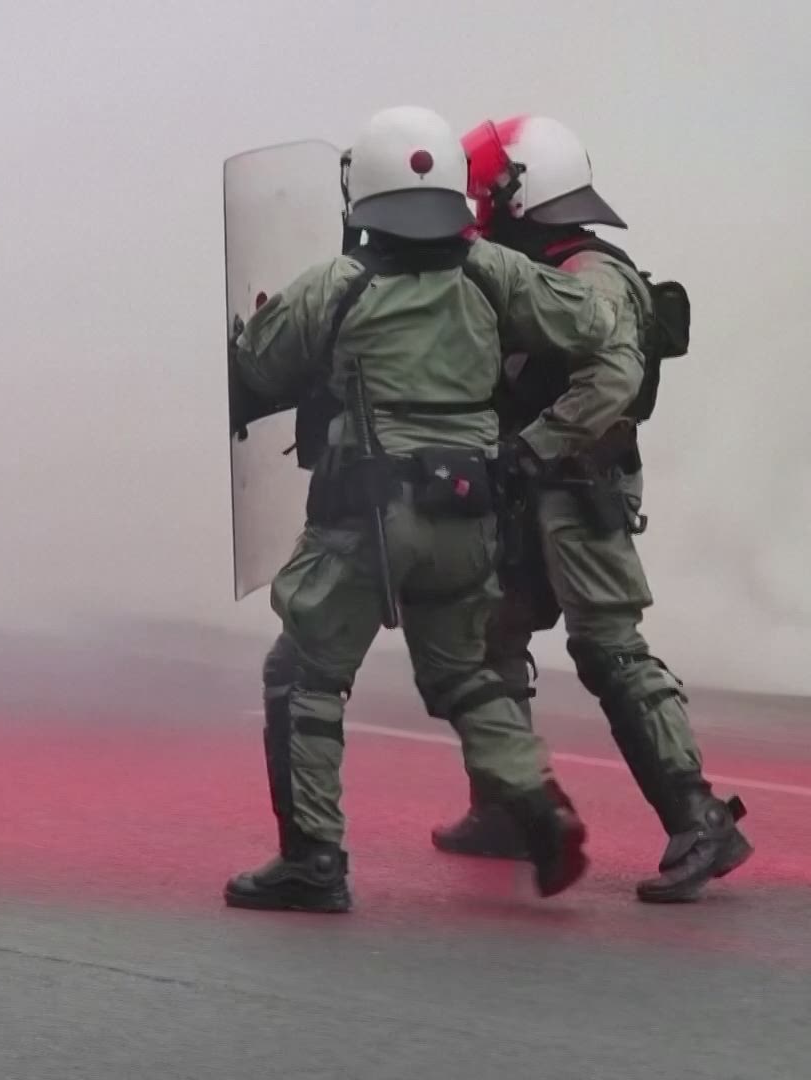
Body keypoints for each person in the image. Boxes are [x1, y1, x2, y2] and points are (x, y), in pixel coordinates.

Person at [222, 105, 647, 914]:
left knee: (304, 673)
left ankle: (313, 861)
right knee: (462, 672)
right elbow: (595, 325)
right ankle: (539, 805)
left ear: (364, 189)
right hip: (469, 515)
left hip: (366, 518)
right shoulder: (494, 272)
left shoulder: (338, 285)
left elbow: (256, 371)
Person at [427, 115, 753, 904]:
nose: (479, 206)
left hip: (578, 486)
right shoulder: (536, 266)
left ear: (523, 191)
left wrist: (532, 446)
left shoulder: (590, 272)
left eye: (487, 191)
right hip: (530, 484)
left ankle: (700, 818)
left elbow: (611, 379)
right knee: (491, 631)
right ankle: (507, 808)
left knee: (609, 648)